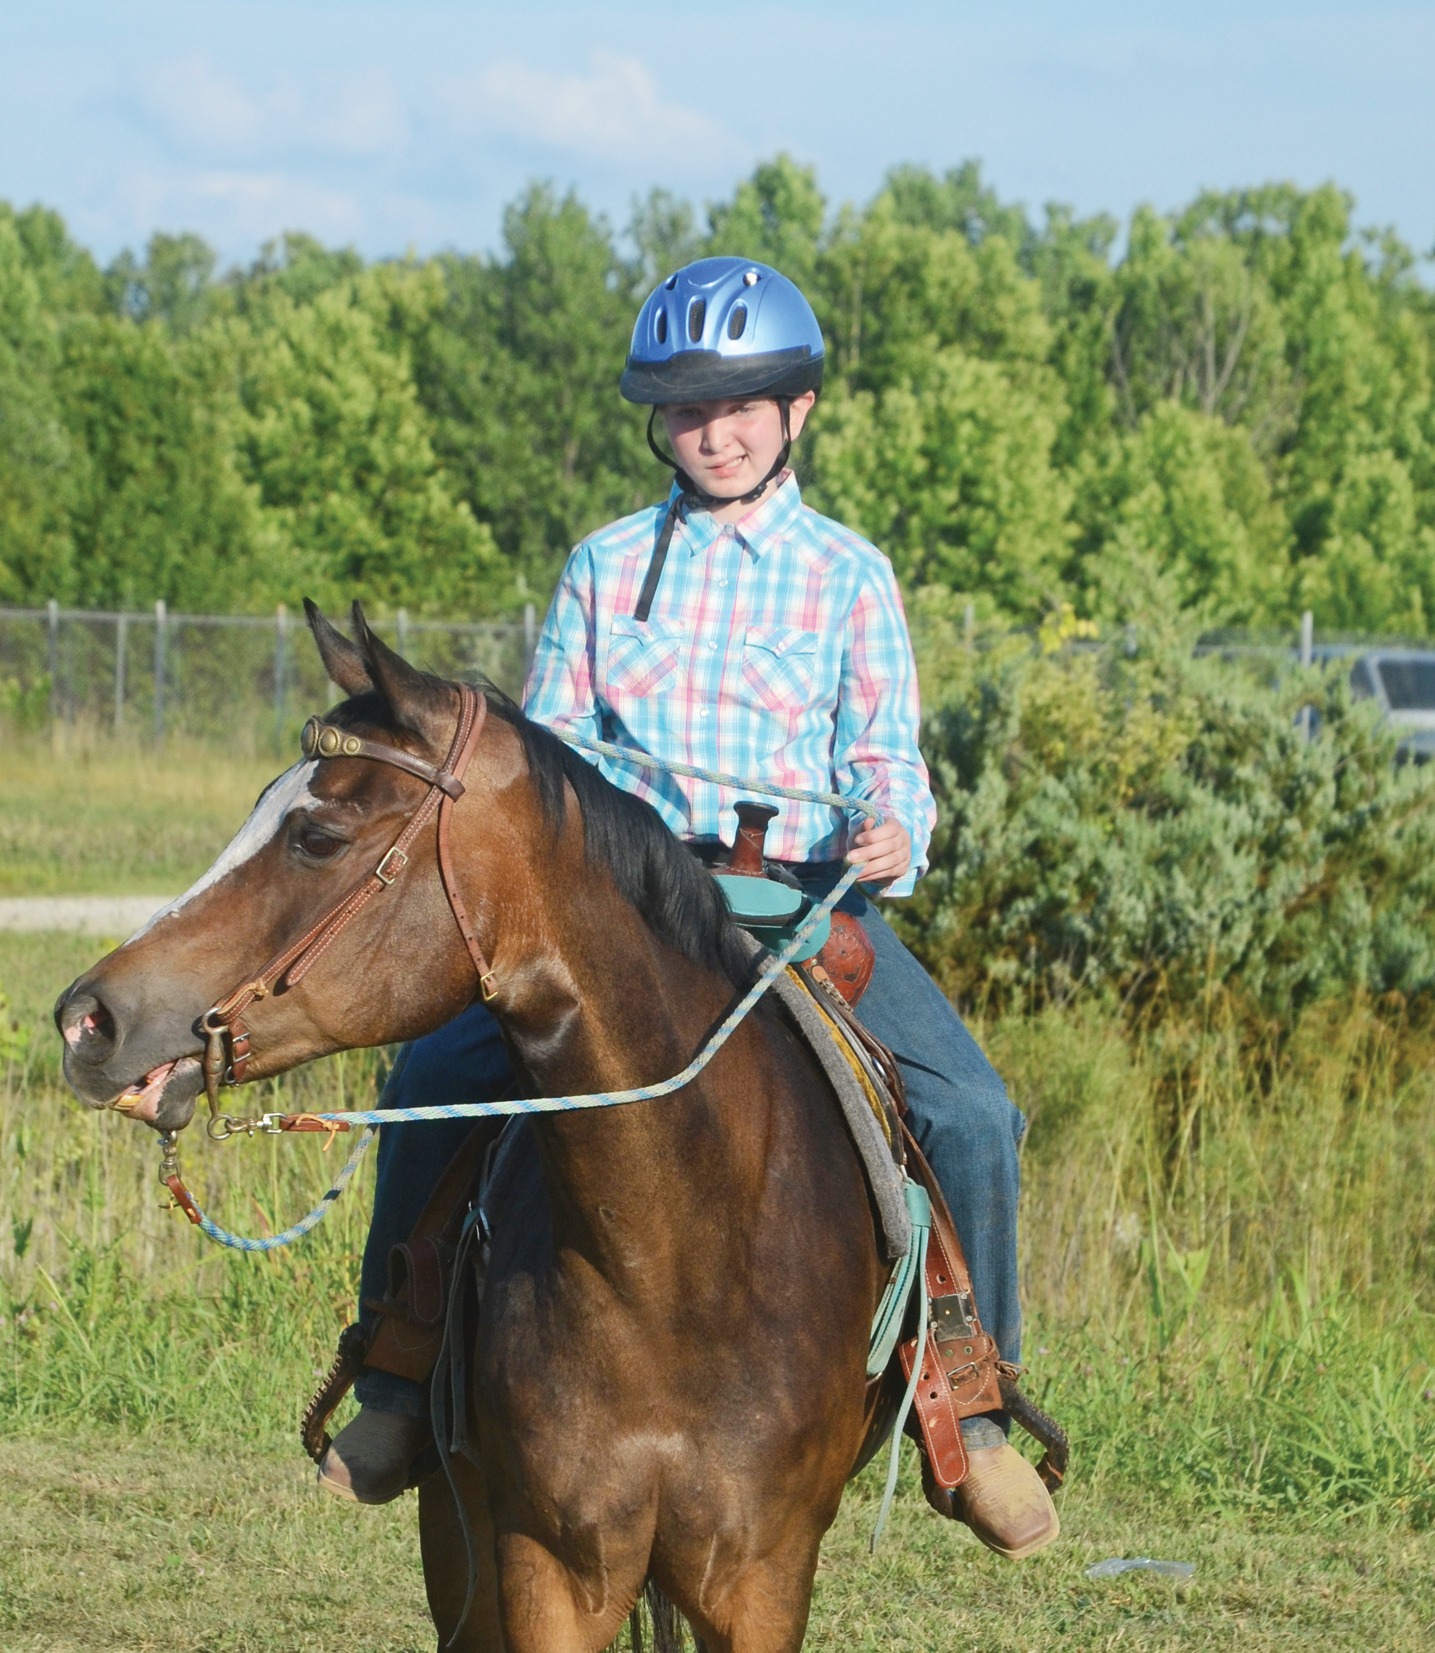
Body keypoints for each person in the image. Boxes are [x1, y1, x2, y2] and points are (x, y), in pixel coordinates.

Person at [320, 255, 1058, 1560]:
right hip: (618, 909)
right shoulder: (606, 567)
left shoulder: (848, 575)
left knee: (974, 1114)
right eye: (687, 412)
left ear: (798, 410)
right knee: (433, 1071)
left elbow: (887, 758)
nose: (714, 436)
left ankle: (971, 1407)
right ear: (658, 423)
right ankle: (396, 1367)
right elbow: (547, 756)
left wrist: (895, 830)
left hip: (794, 906)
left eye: (740, 408)